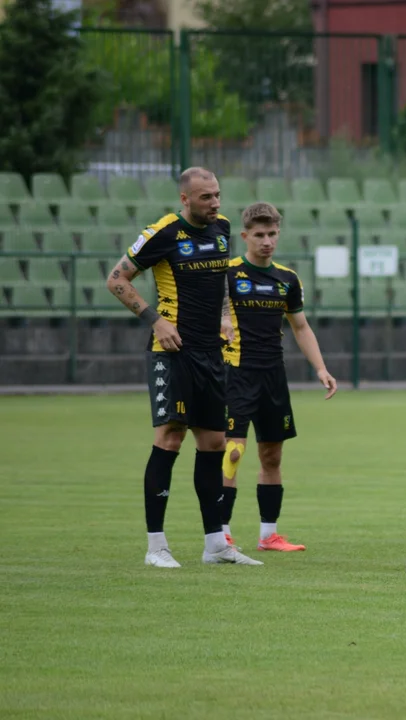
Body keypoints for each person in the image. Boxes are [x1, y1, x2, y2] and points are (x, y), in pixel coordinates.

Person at [105, 166, 260, 567]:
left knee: (212, 444)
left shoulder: (222, 228)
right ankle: (156, 546)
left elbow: (223, 282)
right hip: (171, 352)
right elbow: (117, 279)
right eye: (206, 197)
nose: (216, 203)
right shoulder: (163, 233)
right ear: (185, 199)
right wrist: (155, 319)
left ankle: (215, 545)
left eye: (218, 195)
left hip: (210, 353)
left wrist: (226, 315)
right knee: (170, 438)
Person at [216, 202, 337, 553]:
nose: (266, 241)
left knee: (272, 457)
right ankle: (220, 532)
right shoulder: (228, 275)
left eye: (271, 234)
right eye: (259, 235)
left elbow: (300, 327)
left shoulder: (287, 279)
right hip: (236, 373)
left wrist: (320, 368)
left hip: (273, 375)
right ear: (245, 236)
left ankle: (268, 535)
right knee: (233, 451)